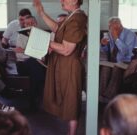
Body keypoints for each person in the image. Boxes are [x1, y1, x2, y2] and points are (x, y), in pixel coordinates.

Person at [33, 0, 87, 135]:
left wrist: (44, 40)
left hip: (69, 65)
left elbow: (67, 50)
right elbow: (57, 28)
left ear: (75, 1)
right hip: (64, 64)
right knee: (68, 98)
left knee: (71, 99)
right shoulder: (72, 15)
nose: (61, 1)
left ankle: (72, 133)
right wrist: (41, 12)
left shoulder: (77, 19)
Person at [99, 17, 137, 101]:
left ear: (120, 26)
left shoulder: (130, 35)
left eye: (114, 28)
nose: (111, 30)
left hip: (128, 61)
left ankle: (109, 96)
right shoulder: (111, 33)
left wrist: (116, 38)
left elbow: (125, 52)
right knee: (105, 68)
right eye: (110, 28)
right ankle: (100, 95)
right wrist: (103, 45)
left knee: (117, 69)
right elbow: (107, 50)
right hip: (116, 61)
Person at [14, 15, 46, 112]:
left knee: (35, 68)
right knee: (33, 62)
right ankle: (38, 98)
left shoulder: (42, 35)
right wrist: (34, 54)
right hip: (23, 65)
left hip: (37, 65)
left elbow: (43, 55)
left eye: (32, 23)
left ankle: (32, 101)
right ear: (24, 25)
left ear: (36, 24)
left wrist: (24, 50)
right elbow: (19, 56)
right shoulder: (21, 35)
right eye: (27, 24)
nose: (30, 25)